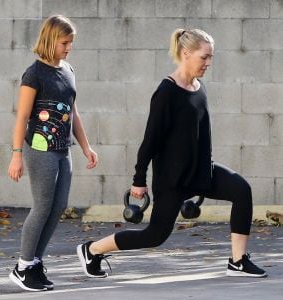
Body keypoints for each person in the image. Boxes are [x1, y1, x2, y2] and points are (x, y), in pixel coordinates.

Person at [76, 28, 267, 279]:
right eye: (204, 57)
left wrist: (203, 173)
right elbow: (150, 140)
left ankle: (238, 261)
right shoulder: (166, 92)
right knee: (154, 236)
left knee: (241, 190)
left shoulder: (199, 87)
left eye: (211, 57)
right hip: (173, 178)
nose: (209, 63)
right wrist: (139, 179)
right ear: (186, 53)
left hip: (201, 170)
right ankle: (91, 250)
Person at [8, 15, 98, 292]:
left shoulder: (68, 69)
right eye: (64, 42)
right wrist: (16, 154)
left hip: (63, 149)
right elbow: (22, 116)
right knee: (43, 206)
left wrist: (85, 146)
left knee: (58, 207)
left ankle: (35, 262)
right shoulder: (34, 73)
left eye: (70, 42)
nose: (69, 47)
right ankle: (23, 267)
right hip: (40, 148)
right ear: (50, 40)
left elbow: (73, 112)